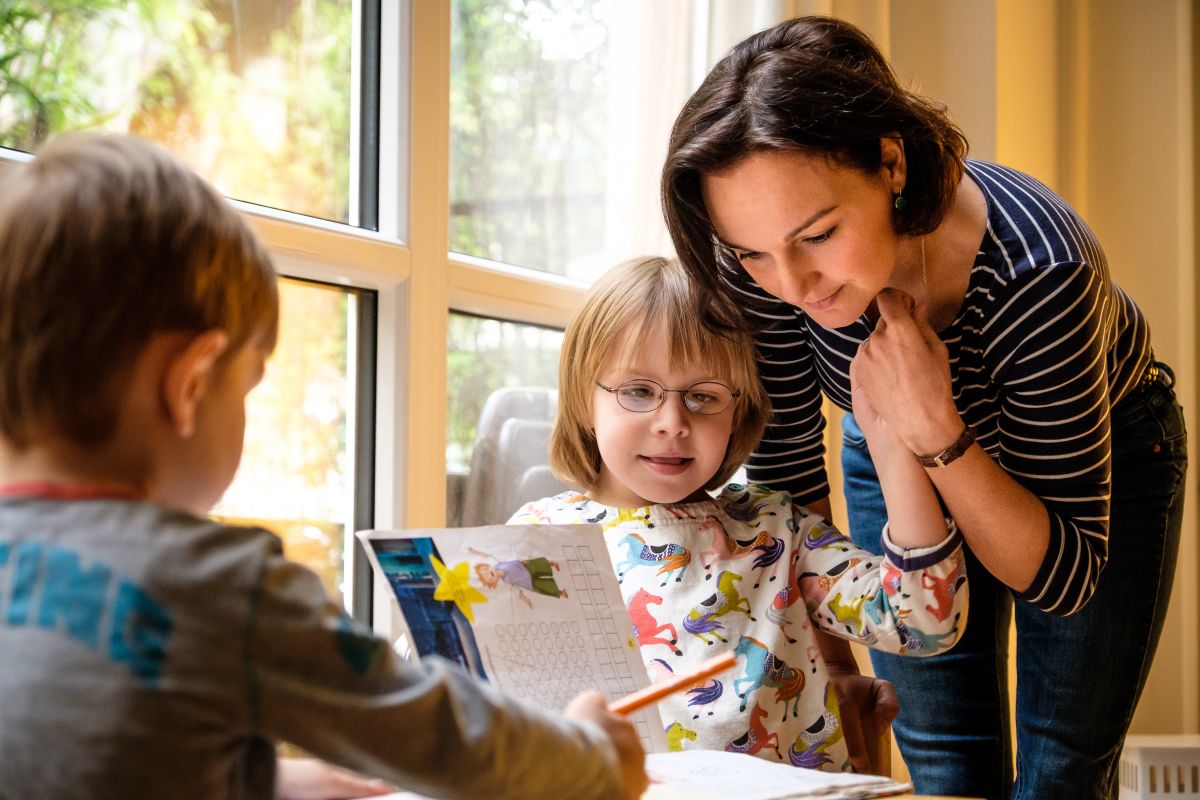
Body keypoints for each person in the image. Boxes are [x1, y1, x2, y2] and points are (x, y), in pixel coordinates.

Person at [0, 131, 647, 800]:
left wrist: (267, 781)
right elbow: (435, 732)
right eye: (246, 387)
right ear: (187, 383)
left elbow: (89, 754)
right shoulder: (219, 585)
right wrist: (590, 755)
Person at [660, 15, 1187, 800]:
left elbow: (1064, 579)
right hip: (897, 452)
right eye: (754, 253)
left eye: (819, 235)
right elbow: (794, 476)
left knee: (1060, 772)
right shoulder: (761, 264)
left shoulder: (1042, 272)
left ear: (891, 162)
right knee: (944, 763)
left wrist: (934, 428)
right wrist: (834, 671)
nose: (794, 286)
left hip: (1104, 455)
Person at [509, 255, 968, 773]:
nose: (672, 423)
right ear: (581, 401)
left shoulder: (777, 530)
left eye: (704, 397)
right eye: (638, 391)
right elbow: (470, 695)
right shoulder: (536, 540)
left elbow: (926, 621)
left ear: (740, 412)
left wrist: (890, 442)